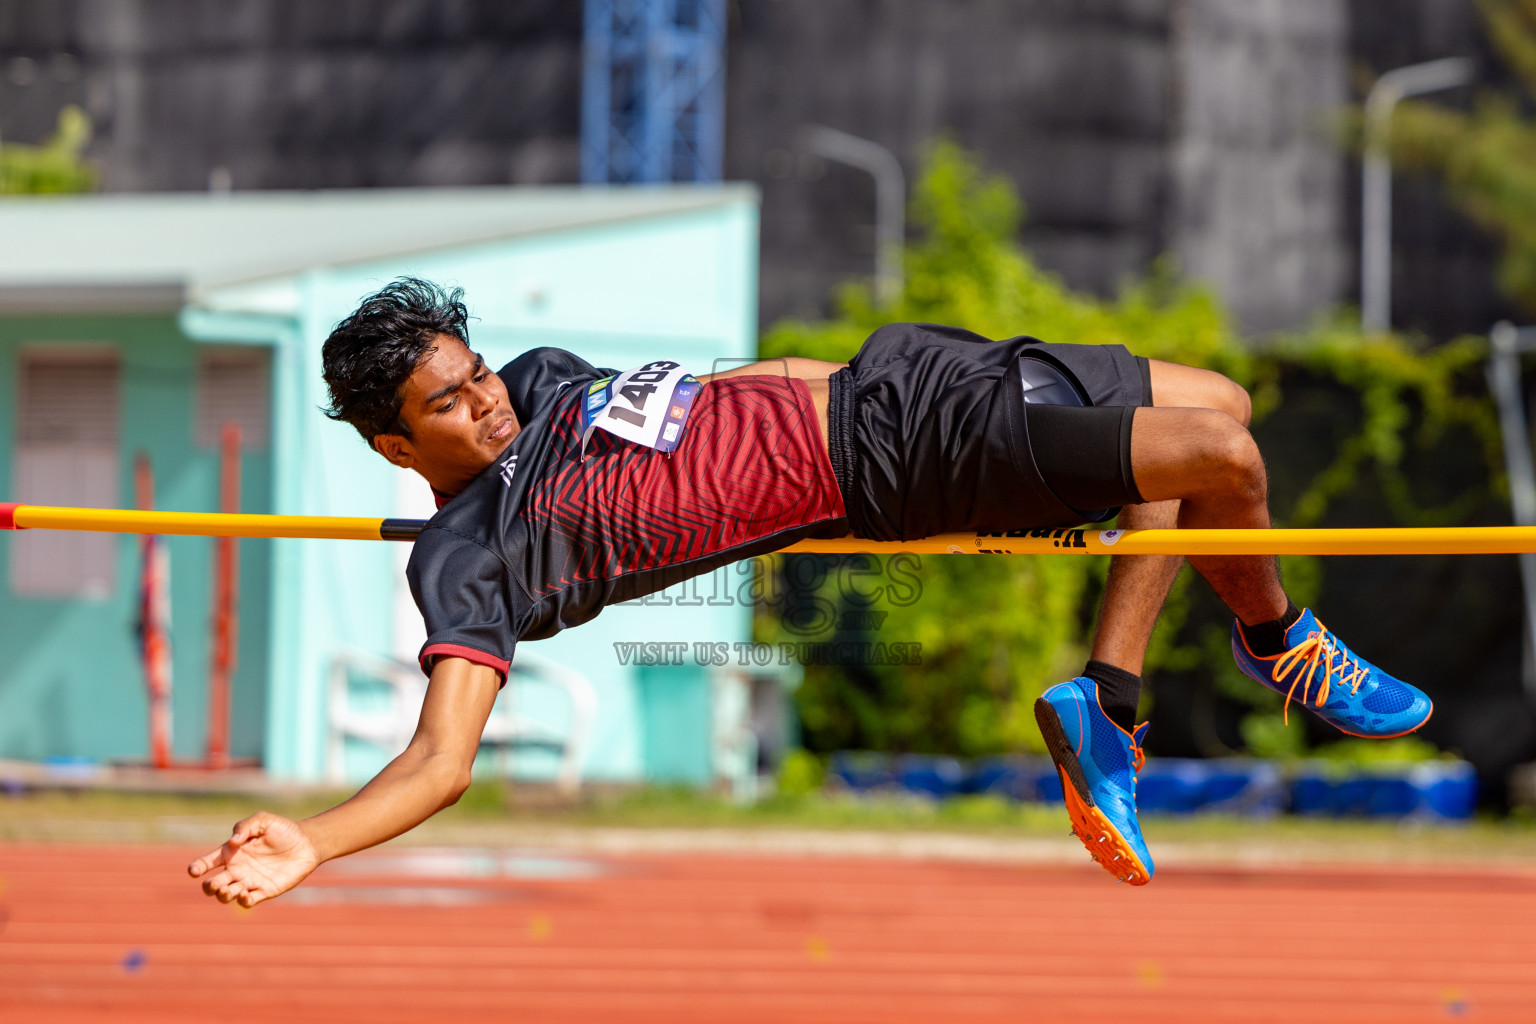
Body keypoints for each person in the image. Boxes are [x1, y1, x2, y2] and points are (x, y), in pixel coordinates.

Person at [189, 278, 1431, 903]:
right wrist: (315, 839)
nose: (487, 398)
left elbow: (705, 401)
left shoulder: (545, 375)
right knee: (1223, 463)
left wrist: (831, 368)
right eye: (449, 404)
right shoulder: (464, 552)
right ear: (394, 449)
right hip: (896, 458)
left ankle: (1108, 697)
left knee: (1223, 404)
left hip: (894, 377)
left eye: (475, 372)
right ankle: (1279, 641)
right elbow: (439, 759)